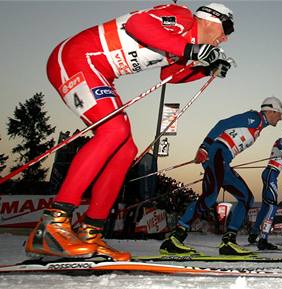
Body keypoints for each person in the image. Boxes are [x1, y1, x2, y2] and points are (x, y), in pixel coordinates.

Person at [25, 3, 234, 261]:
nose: (225, 38)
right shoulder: (182, 18)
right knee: (115, 130)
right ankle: (53, 224)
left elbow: (170, 75)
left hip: (100, 73)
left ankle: (91, 231)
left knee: (126, 149)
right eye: (227, 28)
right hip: (77, 57)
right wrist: (191, 49)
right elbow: (137, 25)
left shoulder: (185, 44)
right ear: (210, 19)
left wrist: (204, 69)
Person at [160, 97, 282, 256]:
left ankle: (228, 242)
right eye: (279, 114)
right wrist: (205, 147)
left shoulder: (259, 126)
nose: (280, 118)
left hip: (223, 161)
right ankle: (174, 239)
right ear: (271, 110)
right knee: (210, 197)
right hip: (216, 155)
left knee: (246, 198)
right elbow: (223, 124)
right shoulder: (255, 118)